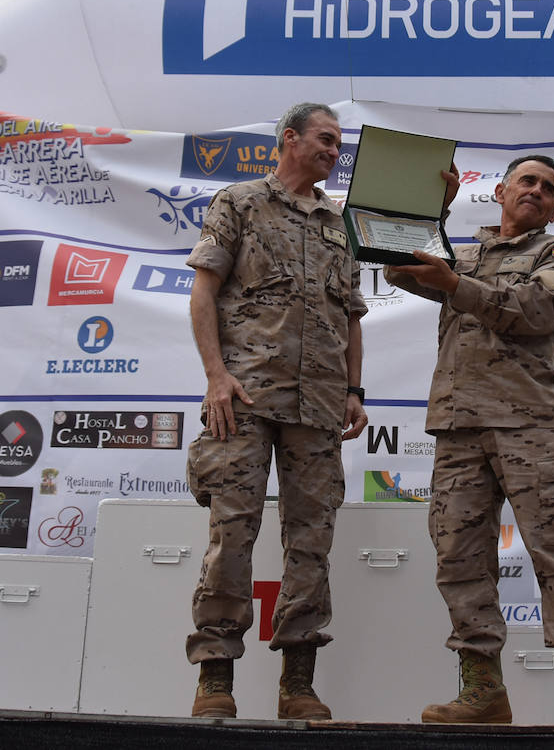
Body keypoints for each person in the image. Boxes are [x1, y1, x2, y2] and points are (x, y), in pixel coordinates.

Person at [385, 154, 554, 725]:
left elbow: (537, 308)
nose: (535, 190)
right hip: (458, 428)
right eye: (526, 181)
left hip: (528, 424)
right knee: (460, 559)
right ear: (502, 193)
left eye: (548, 187)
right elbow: (394, 265)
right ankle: (482, 689)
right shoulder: (463, 254)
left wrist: (456, 286)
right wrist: (430, 206)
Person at [183, 102, 368, 721]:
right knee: (231, 534)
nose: (333, 150)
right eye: (325, 138)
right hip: (244, 397)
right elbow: (204, 290)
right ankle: (215, 676)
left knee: (311, 542)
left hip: (317, 406)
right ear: (289, 139)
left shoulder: (341, 225)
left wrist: (354, 389)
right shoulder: (238, 203)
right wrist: (215, 376)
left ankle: (298, 683)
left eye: (338, 142)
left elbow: (351, 316)